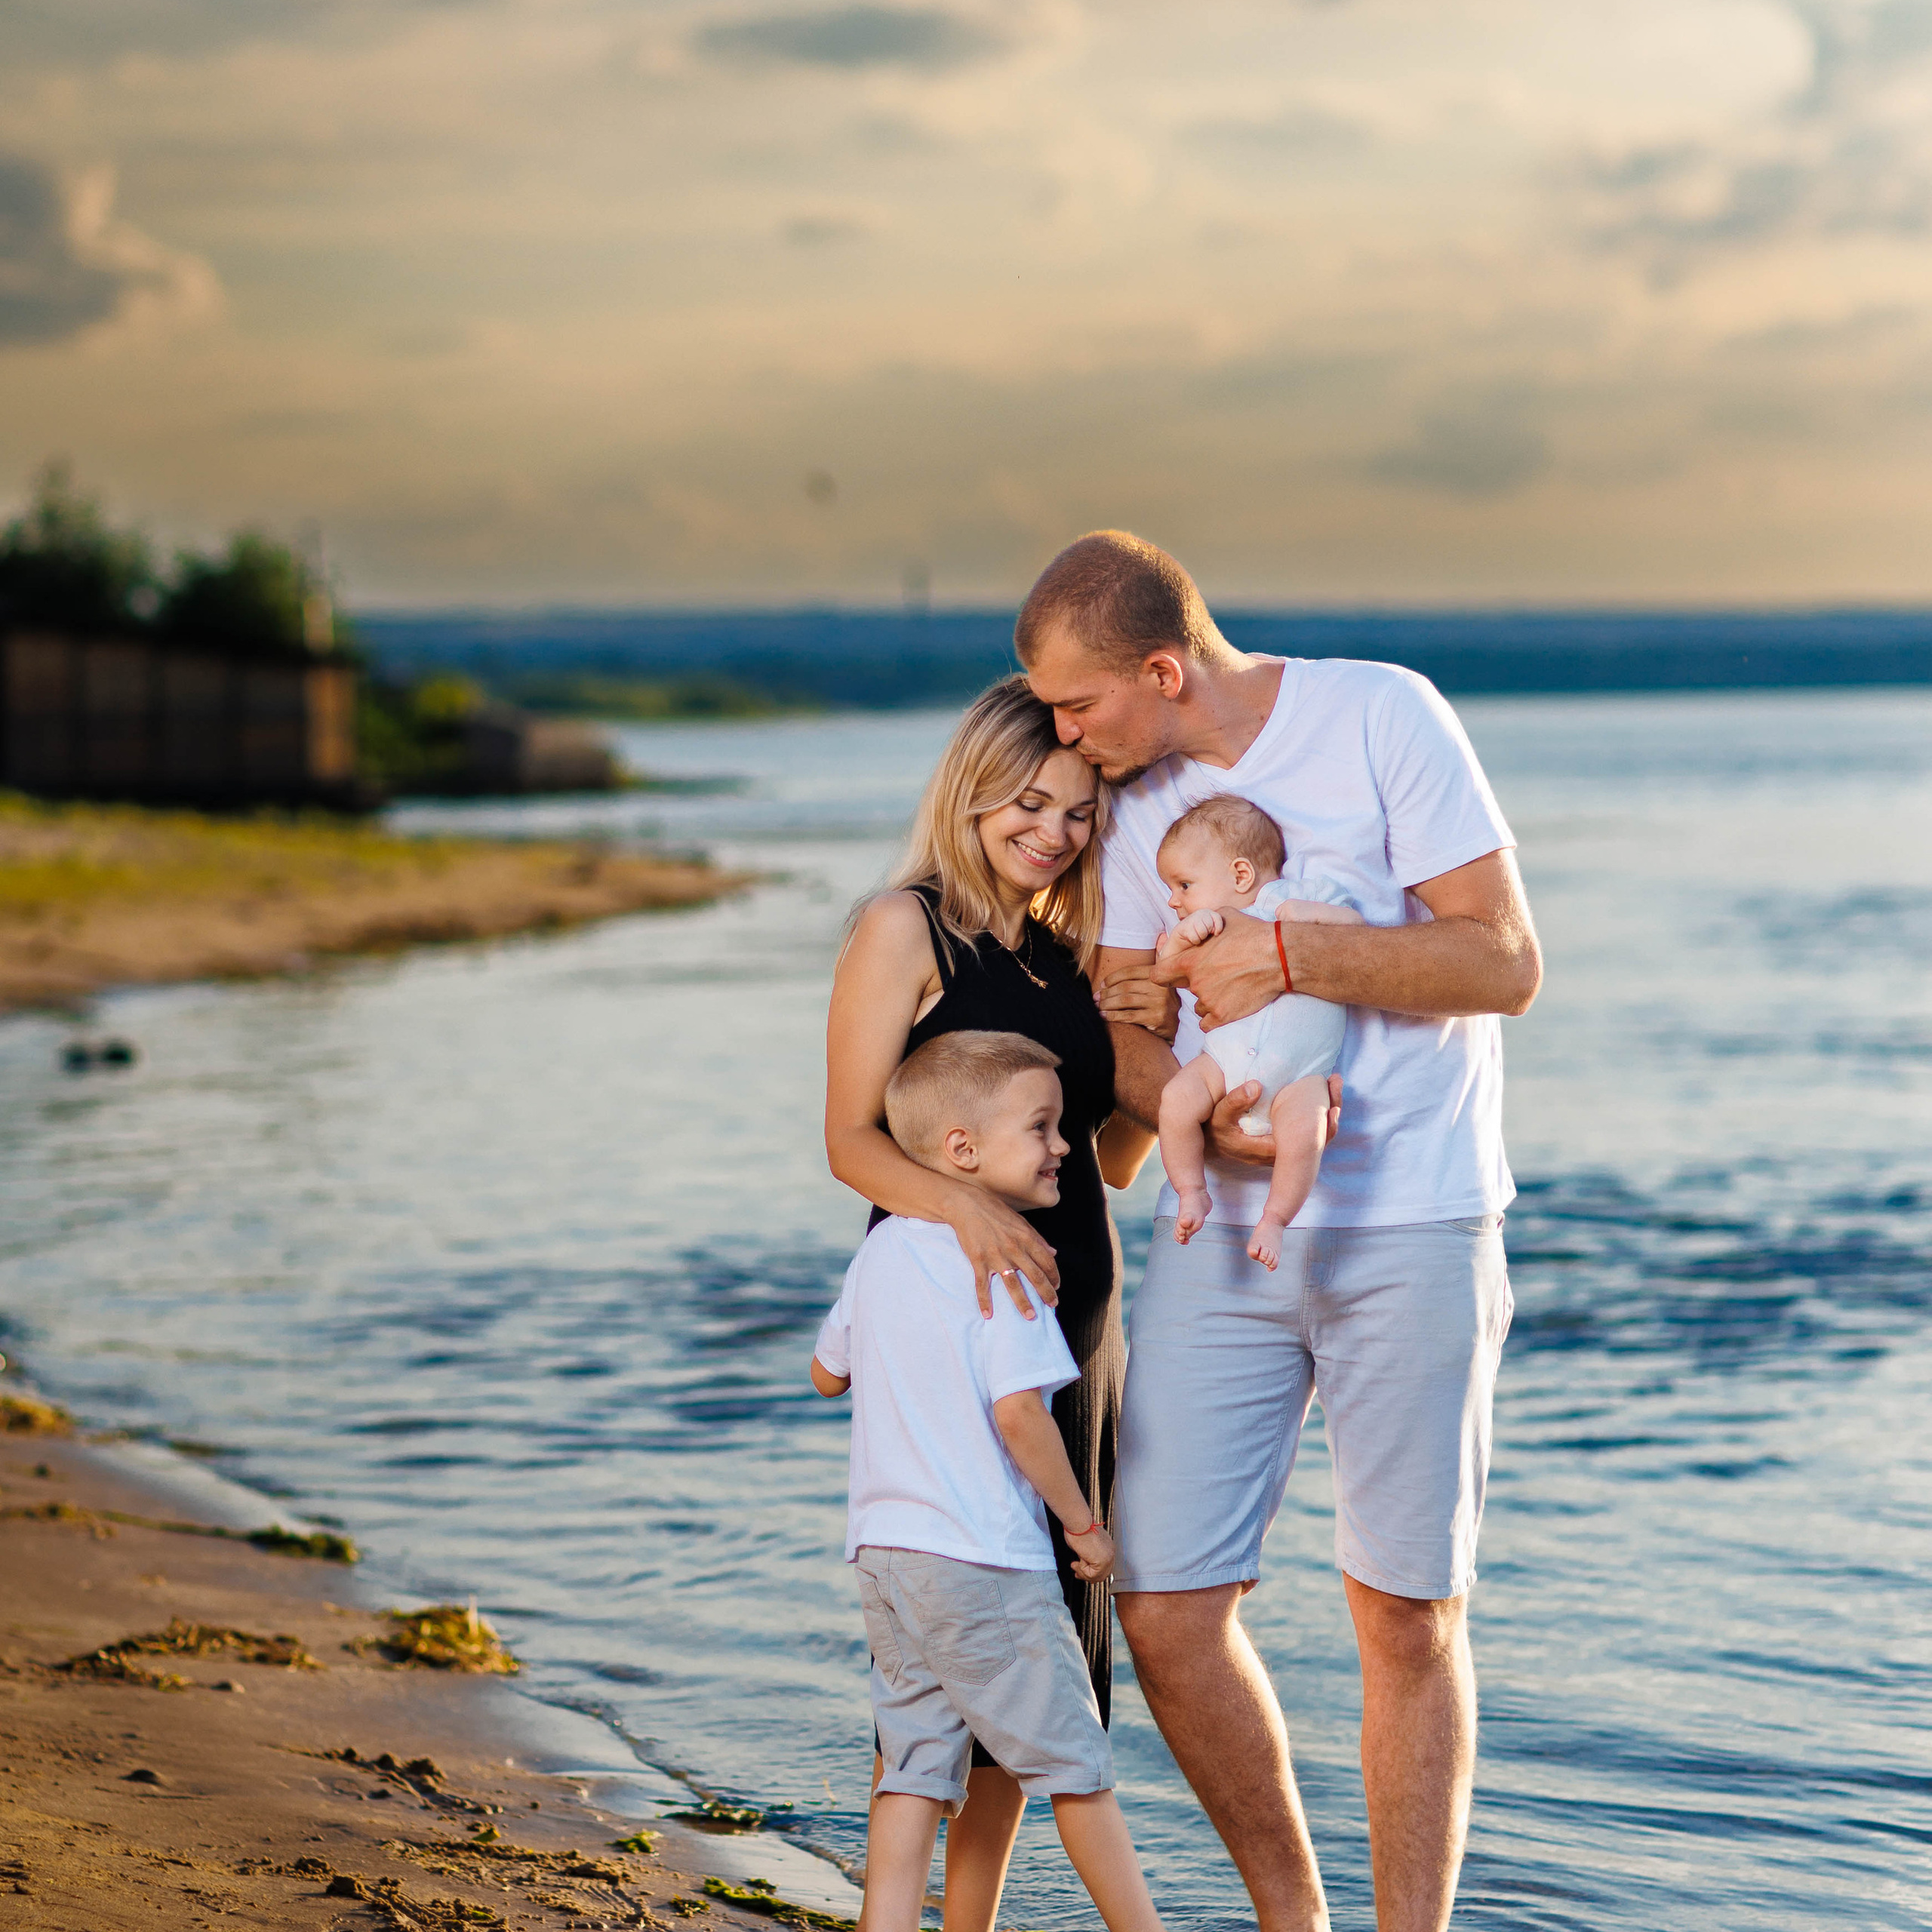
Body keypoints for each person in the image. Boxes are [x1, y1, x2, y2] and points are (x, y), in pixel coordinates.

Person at [1017, 530, 1543, 1932]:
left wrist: (1293, 952)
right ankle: (1291, 1922)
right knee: (1169, 1609)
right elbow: (1132, 1026)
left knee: (1404, 1616)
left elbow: (1503, 961)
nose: (1064, 738)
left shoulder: (1385, 716)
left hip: (1413, 1224)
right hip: (1213, 1244)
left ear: (1164, 668)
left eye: (1078, 707)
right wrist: (1203, 1119)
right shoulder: (1128, 804)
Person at [823, 676, 1165, 1932]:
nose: (1055, 831)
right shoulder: (903, 931)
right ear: (970, 793)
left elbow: (1112, 1160)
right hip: (959, 1325)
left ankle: (967, 1924)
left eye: (1079, 811)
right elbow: (849, 1142)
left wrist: (1153, 1040)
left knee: (1050, 1652)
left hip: (1075, 1332)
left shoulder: (1064, 959)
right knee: (952, 1628)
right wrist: (968, 1211)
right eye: (1029, 802)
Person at [811, 1030, 1166, 1932]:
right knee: (1073, 1768)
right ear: (962, 1149)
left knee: (916, 1766)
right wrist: (1083, 1524)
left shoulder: (882, 1248)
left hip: (885, 1555)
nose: (1062, 1146)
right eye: (1042, 1127)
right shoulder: (1005, 1268)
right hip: (979, 1560)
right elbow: (1020, 1417)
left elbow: (825, 1372)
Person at [1151, 795, 1363, 1269]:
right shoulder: (1206, 929)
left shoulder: (1304, 898)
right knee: (1177, 1100)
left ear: (1241, 875)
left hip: (1300, 1076)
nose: (1173, 899)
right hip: (1221, 1065)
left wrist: (1305, 922)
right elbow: (1167, 970)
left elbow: (1356, 929)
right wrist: (1184, 938)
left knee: (1305, 1132)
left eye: (1184, 884)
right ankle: (1191, 1191)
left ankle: (1275, 1219)